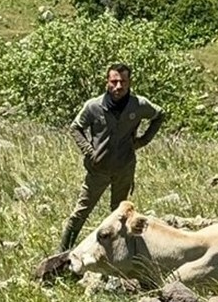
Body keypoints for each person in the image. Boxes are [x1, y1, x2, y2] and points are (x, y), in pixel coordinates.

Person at [58, 63, 164, 252]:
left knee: (120, 215)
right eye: (114, 81)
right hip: (98, 169)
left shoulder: (138, 105)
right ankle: (62, 253)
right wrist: (89, 152)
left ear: (129, 82)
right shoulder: (94, 106)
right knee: (80, 213)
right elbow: (76, 128)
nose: (118, 86)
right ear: (107, 82)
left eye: (123, 81)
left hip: (124, 168)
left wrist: (143, 140)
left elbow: (159, 114)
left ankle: (117, 257)